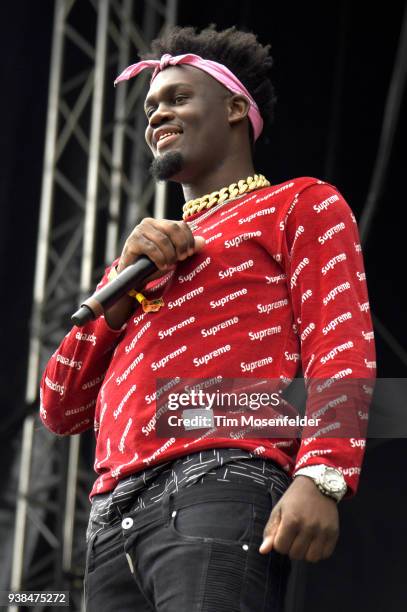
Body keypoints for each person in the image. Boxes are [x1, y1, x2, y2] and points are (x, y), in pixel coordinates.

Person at [40, 25, 376, 612]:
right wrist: (119, 292)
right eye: (149, 106)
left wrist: (321, 473)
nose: (156, 115)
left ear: (235, 109)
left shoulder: (299, 203)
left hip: (217, 484)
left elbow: (341, 342)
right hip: (109, 518)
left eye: (176, 98)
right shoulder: (140, 259)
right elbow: (60, 407)